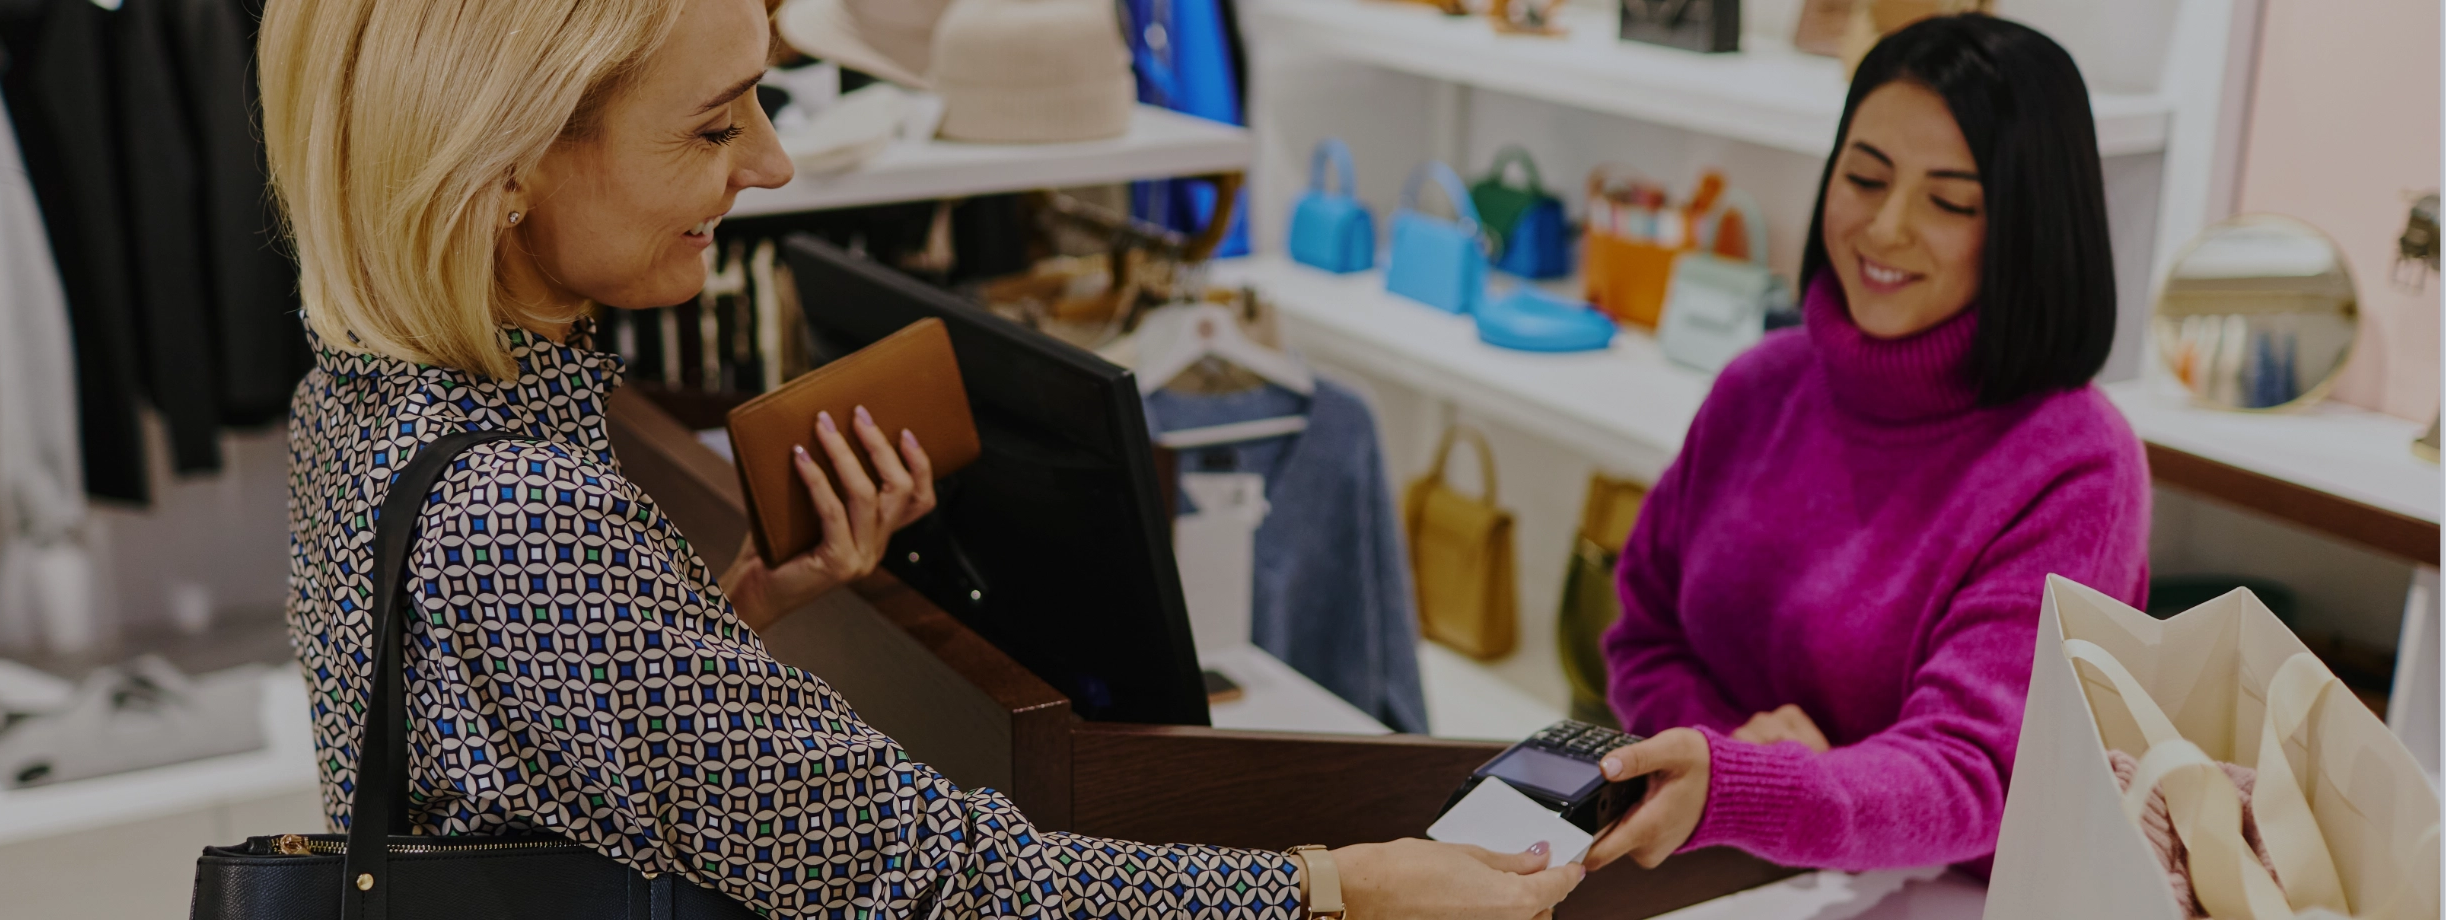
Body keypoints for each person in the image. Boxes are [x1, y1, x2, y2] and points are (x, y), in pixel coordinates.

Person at [260, 0, 1584, 916]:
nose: (774, 162)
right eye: (717, 126)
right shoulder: (521, 503)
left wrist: (731, 618)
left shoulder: (367, 396)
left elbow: (503, 754)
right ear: (505, 168)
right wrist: (1337, 888)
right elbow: (929, 881)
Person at [1586, 15, 2150, 878]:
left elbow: (1972, 769)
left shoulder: (2076, 462)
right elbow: (1644, 633)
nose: (1884, 229)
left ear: (2026, 230)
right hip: (1724, 870)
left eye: (1949, 201)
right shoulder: (1760, 384)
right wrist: (1730, 753)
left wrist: (1757, 786)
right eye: (1864, 177)